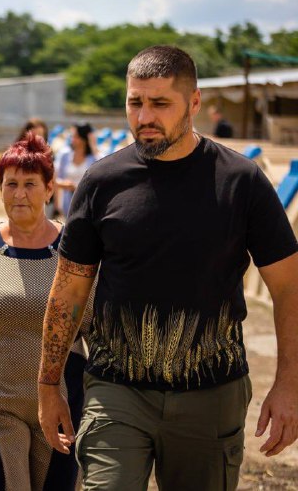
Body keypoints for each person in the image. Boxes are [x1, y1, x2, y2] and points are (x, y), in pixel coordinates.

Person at [37, 45, 298, 491]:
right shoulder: (101, 182)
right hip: (116, 389)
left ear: (194, 103)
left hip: (210, 395)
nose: (144, 117)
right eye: (135, 103)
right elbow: (69, 290)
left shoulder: (241, 182)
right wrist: (48, 386)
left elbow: (289, 287)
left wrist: (289, 384)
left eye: (160, 103)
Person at [0, 135, 91, 491]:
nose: (19, 194)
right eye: (11, 184)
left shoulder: (77, 250)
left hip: (63, 401)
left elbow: (97, 331)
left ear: (50, 189)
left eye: (30, 184)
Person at [54, 122, 98, 217]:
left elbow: (99, 176)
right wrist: (64, 184)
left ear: (84, 138)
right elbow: (55, 179)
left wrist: (93, 145)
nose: (72, 139)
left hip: (87, 206)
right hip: (66, 205)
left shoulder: (93, 158)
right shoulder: (64, 155)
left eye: (76, 136)